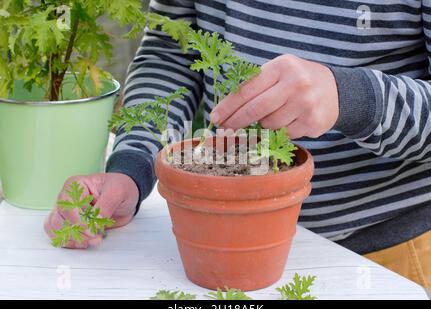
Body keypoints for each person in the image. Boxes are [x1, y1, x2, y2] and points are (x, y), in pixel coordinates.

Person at [44, 0, 431, 288]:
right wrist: (131, 169)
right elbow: (173, 52)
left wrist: (350, 98)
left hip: (384, 258)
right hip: (217, 252)